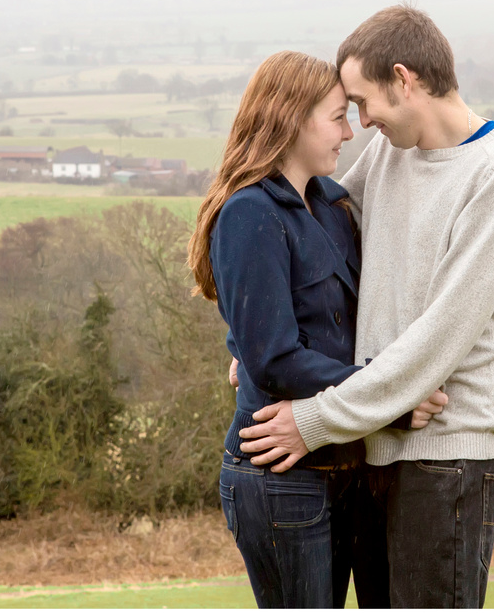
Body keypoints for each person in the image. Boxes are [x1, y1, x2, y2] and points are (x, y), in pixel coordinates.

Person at [237, 5, 494, 608]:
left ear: (404, 79)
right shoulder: (391, 154)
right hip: (374, 438)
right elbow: (307, 252)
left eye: (361, 102)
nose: (359, 122)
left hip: (446, 454)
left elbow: (438, 340)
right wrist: (252, 346)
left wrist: (314, 419)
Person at [187, 50, 447, 608]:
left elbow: (376, 307)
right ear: (290, 119)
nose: (350, 133)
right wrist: (396, 398)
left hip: (350, 469)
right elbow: (276, 359)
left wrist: (472, 358)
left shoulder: (330, 204)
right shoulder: (249, 214)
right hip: (282, 477)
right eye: (337, 117)